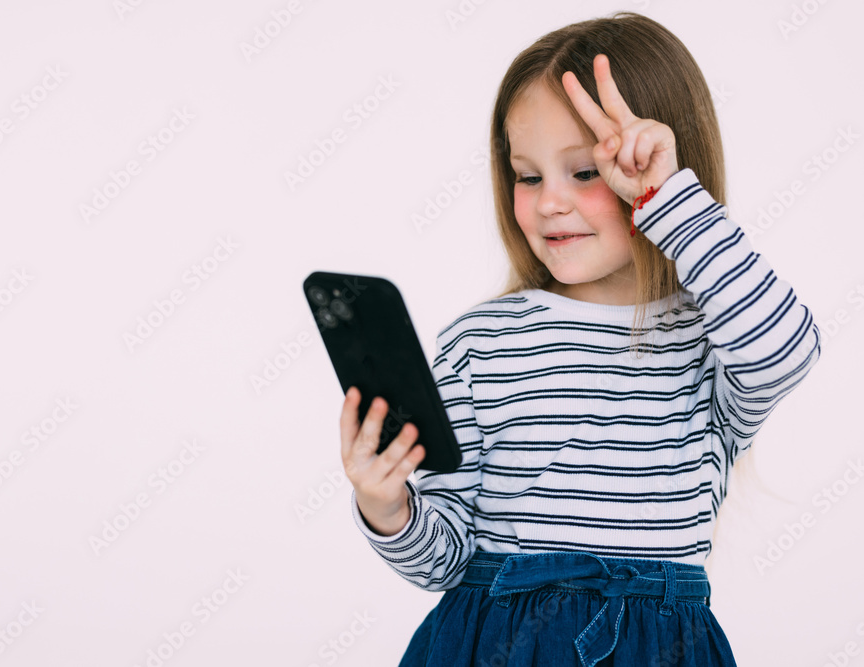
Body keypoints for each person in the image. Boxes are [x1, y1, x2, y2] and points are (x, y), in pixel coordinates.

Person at [339, 10, 821, 667]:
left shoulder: (712, 340)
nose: (549, 203)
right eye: (528, 176)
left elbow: (784, 346)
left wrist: (668, 199)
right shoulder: (481, 343)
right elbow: (444, 556)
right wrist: (386, 505)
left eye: (587, 172)